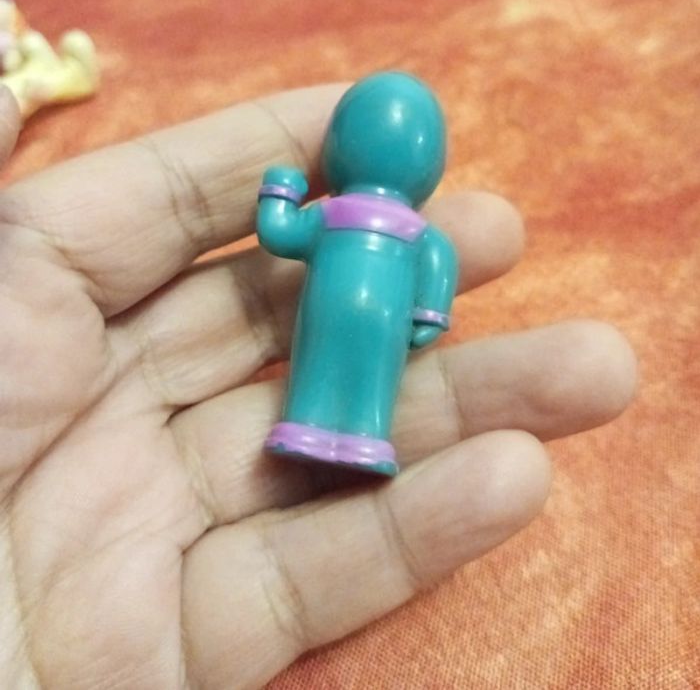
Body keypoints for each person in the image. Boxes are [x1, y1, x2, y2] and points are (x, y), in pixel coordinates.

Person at [0, 82, 636, 689]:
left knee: (355, 376)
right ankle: (327, 429)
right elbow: (290, 238)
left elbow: (317, 238)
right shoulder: (366, 222)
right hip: (363, 316)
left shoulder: (387, 227)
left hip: (356, 313)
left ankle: (357, 434)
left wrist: (288, 199)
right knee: (335, 372)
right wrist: (418, 308)